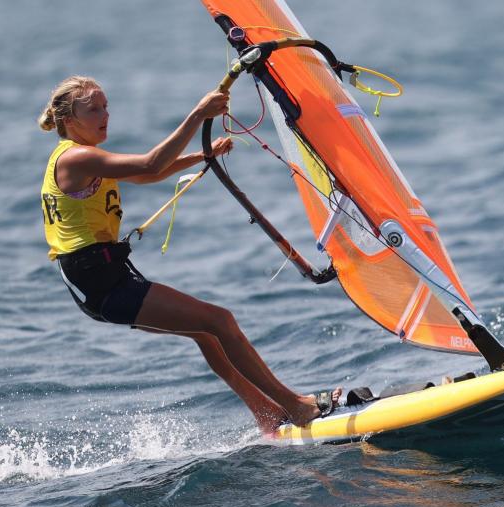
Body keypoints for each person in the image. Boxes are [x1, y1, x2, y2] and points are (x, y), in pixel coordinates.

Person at [37, 75, 339, 433]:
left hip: (98, 277)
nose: (105, 115)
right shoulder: (76, 158)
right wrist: (198, 114)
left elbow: (147, 176)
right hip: (99, 280)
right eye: (93, 110)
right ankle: (296, 406)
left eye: (106, 106)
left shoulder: (83, 158)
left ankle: (267, 413)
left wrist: (201, 156)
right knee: (220, 322)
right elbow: (149, 165)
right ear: (69, 121)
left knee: (208, 333)